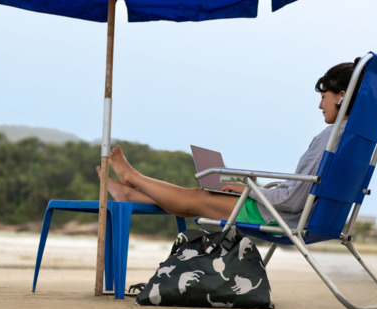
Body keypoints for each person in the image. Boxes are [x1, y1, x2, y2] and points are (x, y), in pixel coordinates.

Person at [97, 57, 361, 228]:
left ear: (340, 96)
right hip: (302, 216)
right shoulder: (352, 138)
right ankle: (129, 192)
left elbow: (292, 200)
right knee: (202, 196)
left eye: (323, 96)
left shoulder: (329, 137)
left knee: (197, 197)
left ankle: (132, 179)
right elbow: (300, 192)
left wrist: (251, 190)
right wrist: (253, 188)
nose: (319, 105)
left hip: (280, 218)